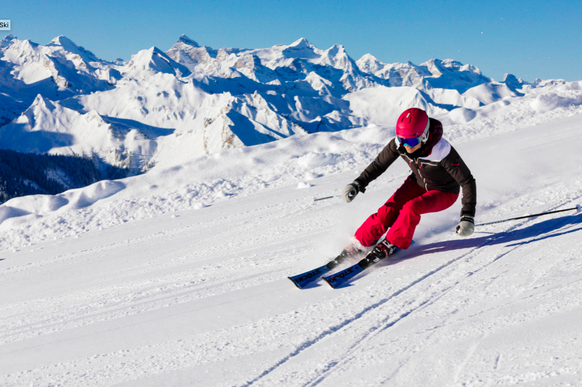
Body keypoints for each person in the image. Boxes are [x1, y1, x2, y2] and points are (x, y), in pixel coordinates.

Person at [341, 107, 476, 258]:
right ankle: (360, 242)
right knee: (388, 210)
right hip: (416, 184)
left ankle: (393, 242)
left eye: (411, 141)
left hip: (444, 191)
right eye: (402, 139)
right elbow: (379, 165)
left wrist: (467, 216)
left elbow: (467, 181)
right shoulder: (400, 144)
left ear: (424, 136)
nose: (406, 145)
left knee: (412, 207)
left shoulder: (441, 150)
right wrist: (358, 183)